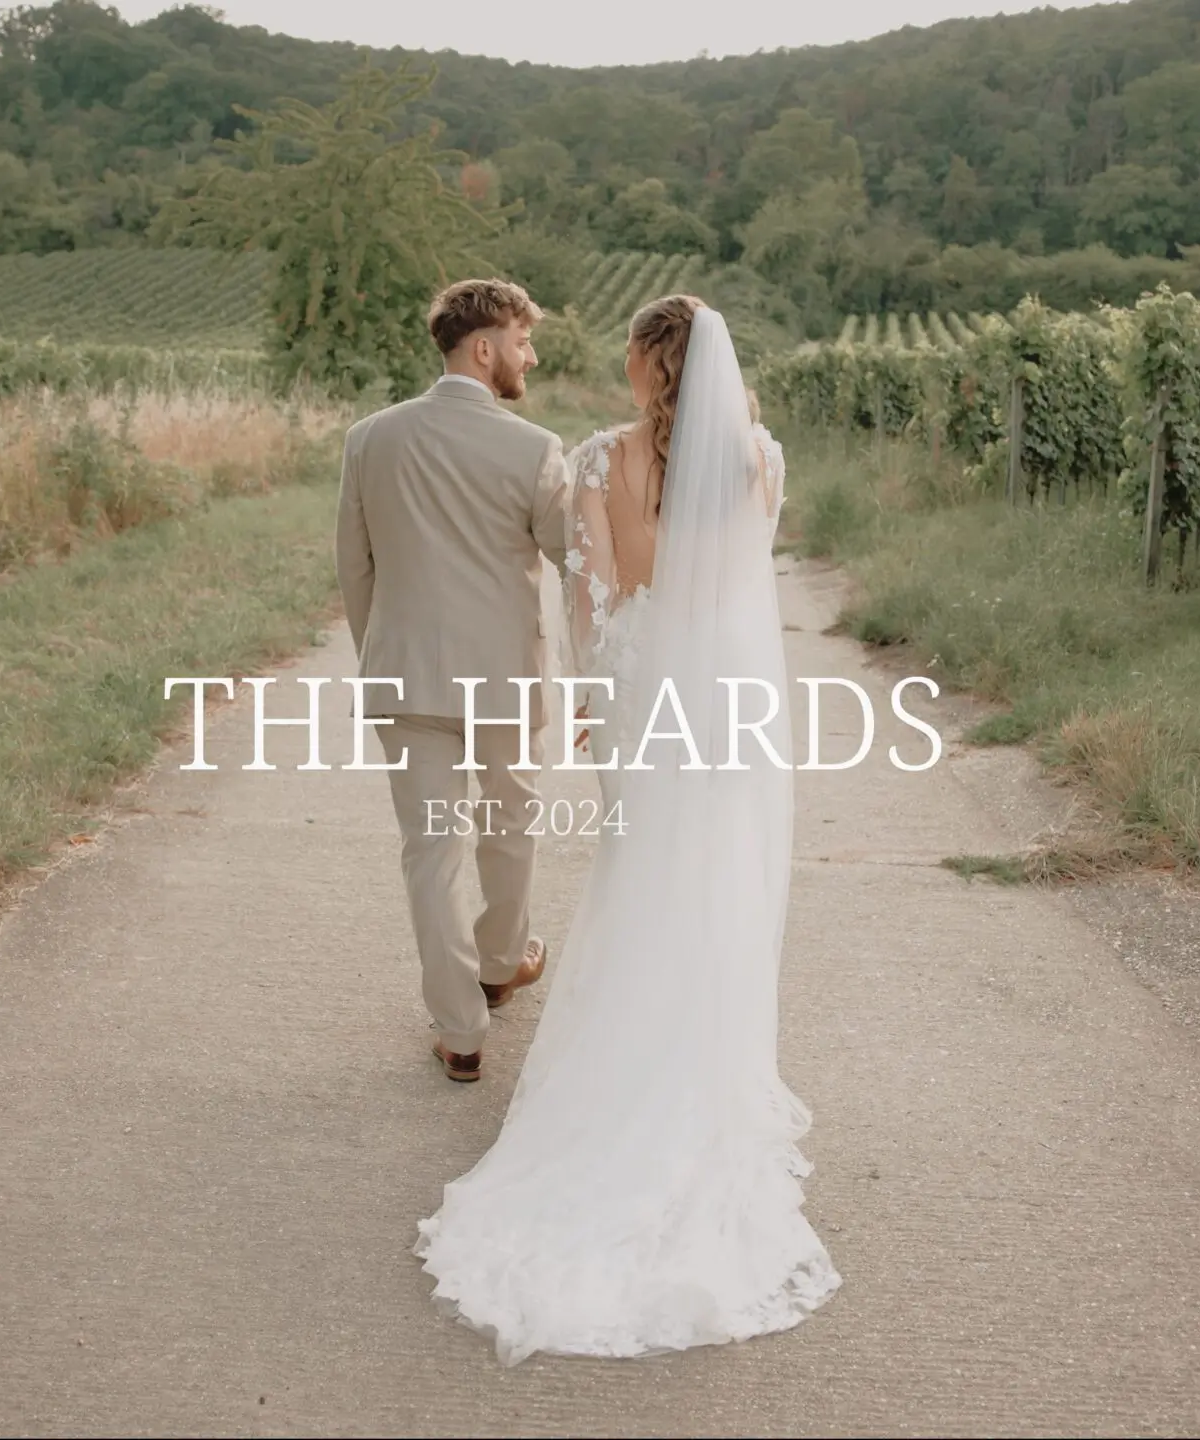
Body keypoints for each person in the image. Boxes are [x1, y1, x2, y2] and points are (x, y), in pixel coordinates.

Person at [413, 294, 840, 1362]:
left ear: (651, 364)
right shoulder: (760, 460)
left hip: (646, 705)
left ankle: (625, 1080)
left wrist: (598, 709)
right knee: (717, 889)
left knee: (643, 879)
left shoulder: (601, 461)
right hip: (728, 707)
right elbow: (744, 586)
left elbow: (594, 604)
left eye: (629, 352)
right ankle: (703, 1071)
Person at [334, 278, 565, 1083]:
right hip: (502, 677)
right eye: (522, 341)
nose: (528, 356)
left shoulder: (369, 438)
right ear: (484, 346)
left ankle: (461, 1032)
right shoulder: (534, 449)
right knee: (510, 824)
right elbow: (574, 556)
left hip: (405, 676)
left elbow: (354, 569)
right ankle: (501, 962)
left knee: (429, 851)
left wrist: (384, 657)